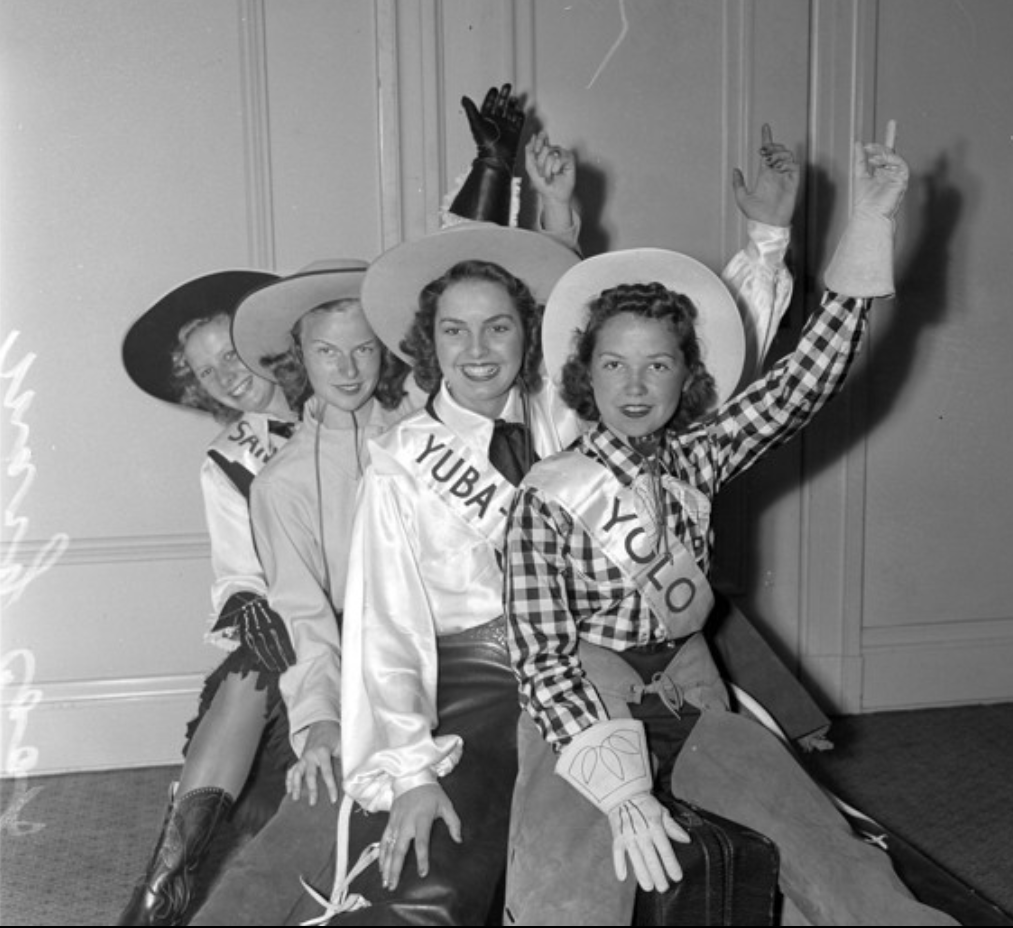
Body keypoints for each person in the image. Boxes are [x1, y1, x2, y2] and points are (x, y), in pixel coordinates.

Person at [317, 125, 805, 926]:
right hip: (479, 687)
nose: (478, 351)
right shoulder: (402, 462)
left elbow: (692, 357)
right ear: (425, 341)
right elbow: (386, 631)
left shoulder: (570, 407)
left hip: (612, 657)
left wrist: (768, 238)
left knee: (781, 817)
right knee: (443, 876)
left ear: (531, 334)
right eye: (454, 331)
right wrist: (410, 771)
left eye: (501, 327)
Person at [500, 124, 970, 926]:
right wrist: (619, 792)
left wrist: (872, 221)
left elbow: (804, 382)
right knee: (564, 891)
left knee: (825, 847)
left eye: (659, 364)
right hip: (584, 695)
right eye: (615, 364)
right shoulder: (546, 496)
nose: (637, 384)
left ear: (689, 377)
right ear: (585, 375)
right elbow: (541, 660)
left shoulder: (700, 454)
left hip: (692, 683)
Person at [186, 83, 578, 927]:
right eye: (326, 352)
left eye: (363, 349)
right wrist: (323, 719)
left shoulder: (423, 414)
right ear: (299, 359)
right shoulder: (287, 478)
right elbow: (318, 620)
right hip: (353, 665)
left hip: (502, 651)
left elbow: (480, 292)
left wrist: (511, 183)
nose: (348, 368)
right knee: (314, 817)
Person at [119, 270, 299, 926]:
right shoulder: (228, 458)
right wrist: (253, 605)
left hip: (398, 609)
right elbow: (239, 574)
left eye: (232, 353)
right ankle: (157, 898)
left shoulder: (353, 402)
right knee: (254, 661)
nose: (224, 376)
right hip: (299, 628)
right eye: (205, 371)